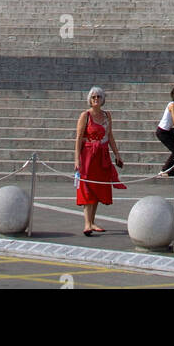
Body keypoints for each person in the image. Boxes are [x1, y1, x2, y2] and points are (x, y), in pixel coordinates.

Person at [74, 87, 124, 235]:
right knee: (87, 187)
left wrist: (117, 154)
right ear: (89, 99)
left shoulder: (107, 116)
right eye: (93, 97)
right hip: (88, 155)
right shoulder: (85, 116)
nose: (96, 99)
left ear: (103, 99)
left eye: (99, 97)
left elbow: (110, 136)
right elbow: (78, 138)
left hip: (102, 155)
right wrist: (77, 159)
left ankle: (92, 221)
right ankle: (87, 223)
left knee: (98, 188)